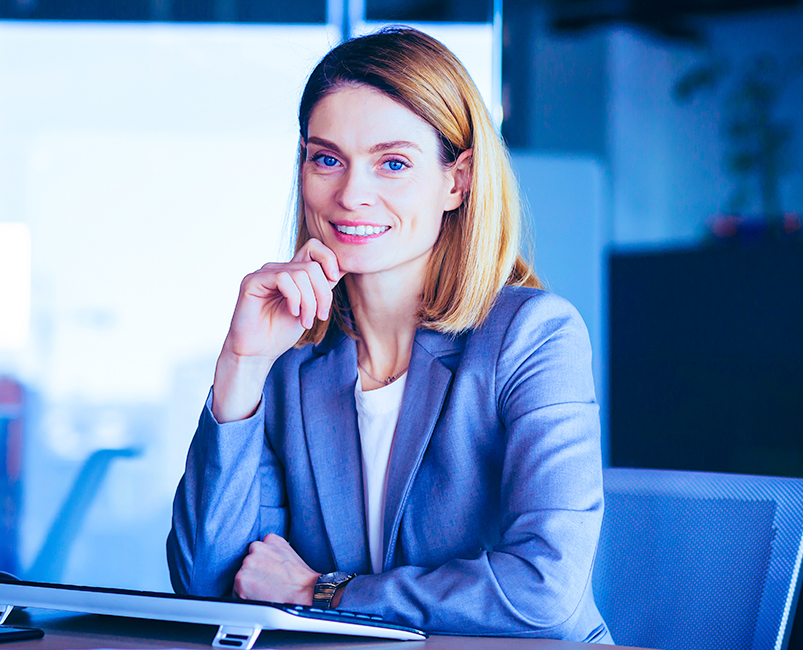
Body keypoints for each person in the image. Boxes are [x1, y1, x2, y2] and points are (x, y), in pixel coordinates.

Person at [167, 26, 611, 643]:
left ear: (457, 181)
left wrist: (319, 591)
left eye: (393, 163)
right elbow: (208, 585)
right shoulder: (295, 362)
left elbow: (544, 593)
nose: (351, 194)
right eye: (328, 159)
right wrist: (242, 365)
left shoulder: (532, 336)